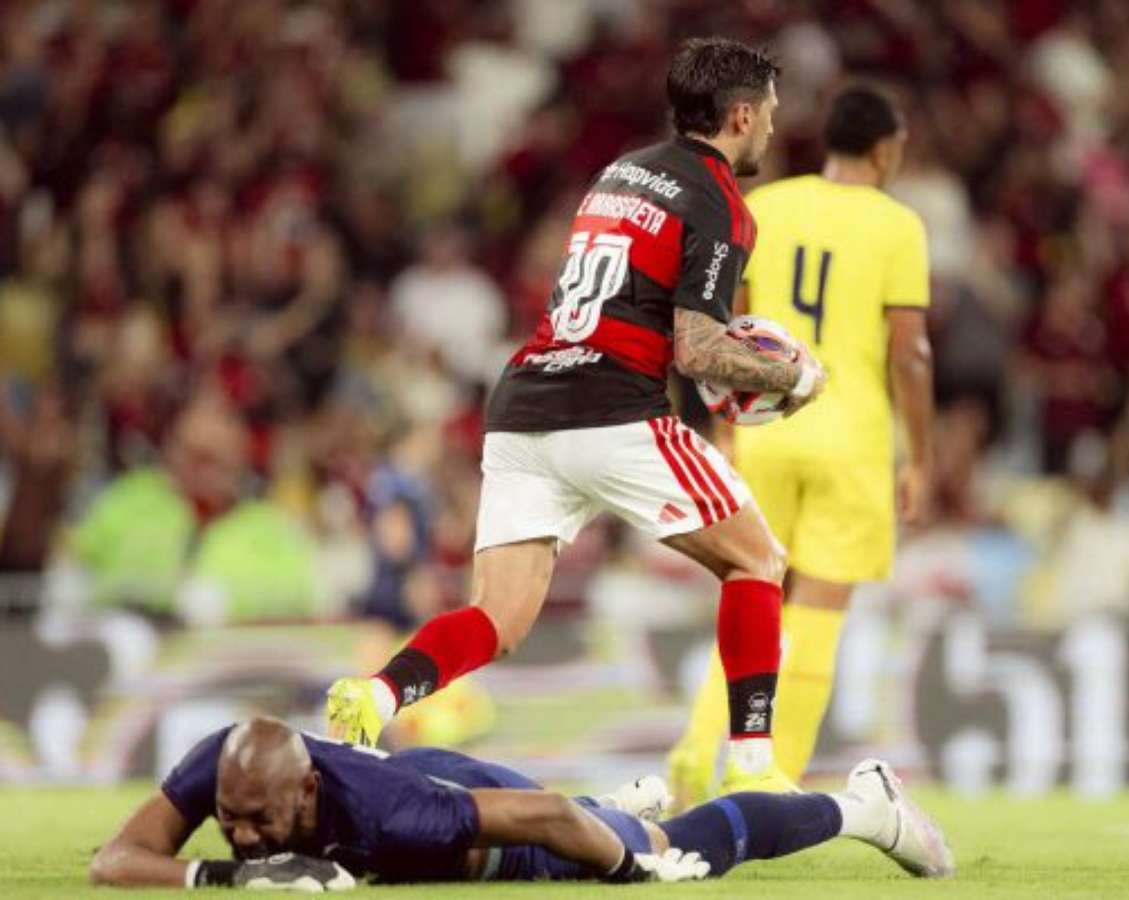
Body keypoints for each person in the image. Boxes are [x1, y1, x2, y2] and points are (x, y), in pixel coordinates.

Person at [327, 37, 827, 792]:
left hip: (524, 407)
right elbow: (697, 350)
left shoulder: (619, 174)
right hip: (612, 410)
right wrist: (793, 375)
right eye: (769, 113)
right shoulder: (721, 203)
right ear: (741, 116)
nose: (773, 127)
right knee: (757, 560)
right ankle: (754, 764)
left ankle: (377, 695)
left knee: (498, 617)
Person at [668, 85, 935, 803]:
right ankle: (769, 786)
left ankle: (697, 747)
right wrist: (922, 458)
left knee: (750, 593)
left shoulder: (771, 206)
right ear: (885, 148)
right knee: (817, 618)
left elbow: (731, 324)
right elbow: (911, 353)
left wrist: (729, 429)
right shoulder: (898, 225)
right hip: (852, 439)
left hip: (768, 432)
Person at [89, 717, 953, 889]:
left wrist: (627, 868)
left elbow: (539, 818)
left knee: (671, 844)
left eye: (260, 823)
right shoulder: (227, 766)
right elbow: (114, 862)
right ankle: (611, 803)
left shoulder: (399, 816)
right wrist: (224, 877)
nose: (241, 833)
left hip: (500, 823)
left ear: (308, 789)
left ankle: (864, 808)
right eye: (229, 818)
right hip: (423, 777)